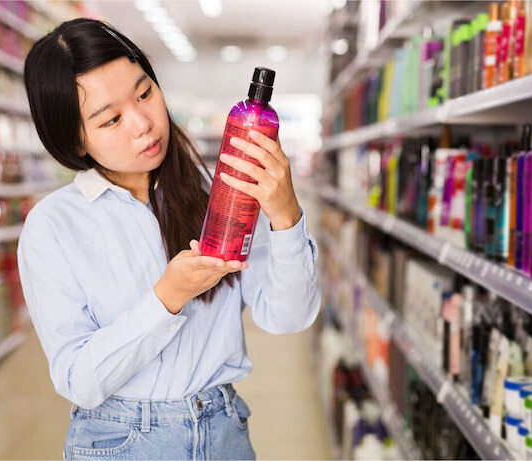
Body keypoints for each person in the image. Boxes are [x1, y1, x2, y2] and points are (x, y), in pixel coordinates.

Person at [18, 18, 320, 460]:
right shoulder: (54, 226)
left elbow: (289, 317)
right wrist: (167, 298)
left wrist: (285, 214)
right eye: (112, 119)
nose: (143, 123)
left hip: (224, 434)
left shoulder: (219, 196)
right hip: (118, 442)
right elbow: (78, 377)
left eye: (145, 93)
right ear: (76, 140)